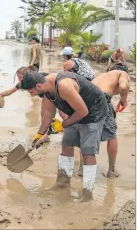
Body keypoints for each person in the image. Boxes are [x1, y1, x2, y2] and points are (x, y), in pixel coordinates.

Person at [20, 71, 108, 201]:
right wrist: (39, 135)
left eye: (31, 92)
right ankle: (62, 184)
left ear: (38, 86)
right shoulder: (47, 90)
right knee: (66, 144)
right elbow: (48, 113)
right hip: (75, 111)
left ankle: (87, 194)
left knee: (87, 151)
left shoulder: (63, 86)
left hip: (94, 112)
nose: (32, 95)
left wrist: (63, 125)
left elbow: (83, 111)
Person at [75, 70, 130, 179]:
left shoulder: (102, 76)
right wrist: (124, 100)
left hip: (85, 100)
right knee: (112, 135)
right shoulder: (123, 73)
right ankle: (112, 170)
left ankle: (82, 169)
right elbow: (123, 87)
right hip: (101, 98)